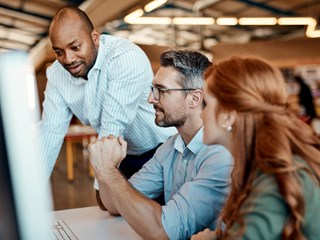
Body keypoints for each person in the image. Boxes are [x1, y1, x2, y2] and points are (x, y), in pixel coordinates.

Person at [88, 49, 233, 240]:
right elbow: (114, 206)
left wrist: (108, 172)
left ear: (194, 98)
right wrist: (104, 166)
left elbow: (163, 232)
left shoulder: (220, 156)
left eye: (161, 91)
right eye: (152, 90)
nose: (151, 99)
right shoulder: (169, 148)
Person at [39, 6, 176, 187]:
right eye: (59, 52)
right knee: (115, 212)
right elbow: (50, 132)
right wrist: (25, 198)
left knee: (154, 211)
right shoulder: (57, 74)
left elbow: (112, 127)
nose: (68, 59)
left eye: (75, 47)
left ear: (94, 37)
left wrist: (101, 187)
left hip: (163, 150)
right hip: (124, 155)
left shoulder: (124, 58)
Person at [192, 56, 320, 240]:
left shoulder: (276, 180)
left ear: (228, 116)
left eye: (205, 104)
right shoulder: (269, 166)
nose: (201, 114)